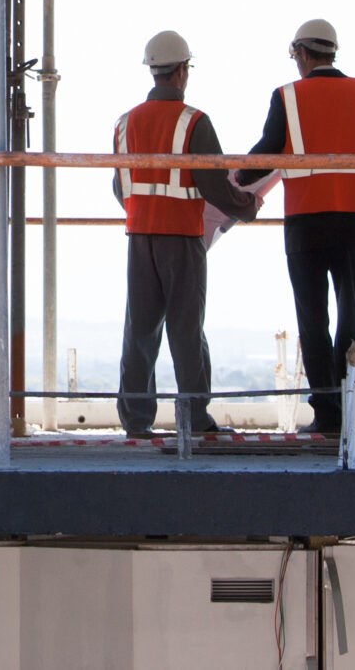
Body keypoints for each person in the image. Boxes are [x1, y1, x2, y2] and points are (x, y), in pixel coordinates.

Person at [246, 17, 355, 438]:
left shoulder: (287, 97)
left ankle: (327, 415)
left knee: (313, 321)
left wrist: (234, 177)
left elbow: (266, 153)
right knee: (352, 318)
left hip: (305, 224)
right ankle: (351, 411)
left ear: (302, 54)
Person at [114, 29, 261, 438]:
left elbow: (120, 187)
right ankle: (195, 418)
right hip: (181, 236)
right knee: (186, 329)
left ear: (154, 70)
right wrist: (247, 207)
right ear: (181, 71)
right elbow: (215, 186)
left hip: (140, 236)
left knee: (140, 329)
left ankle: (136, 422)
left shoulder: (125, 124)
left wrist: (145, 213)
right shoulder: (194, 122)